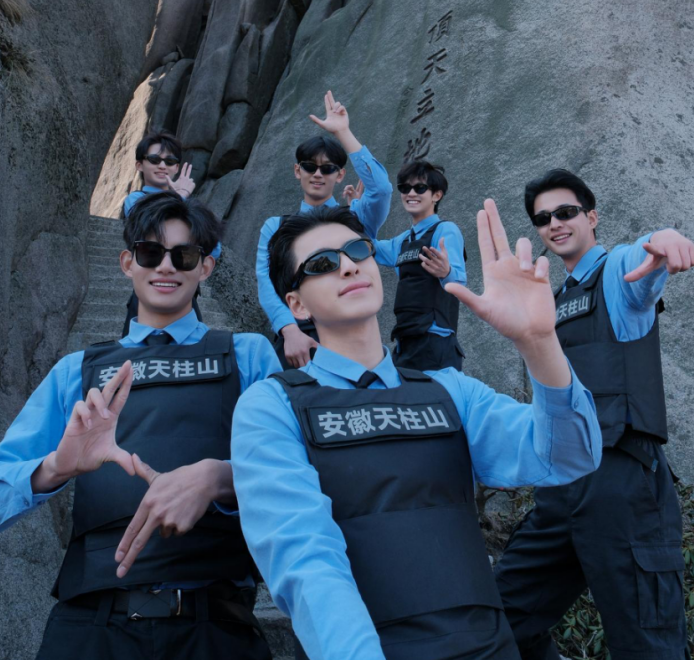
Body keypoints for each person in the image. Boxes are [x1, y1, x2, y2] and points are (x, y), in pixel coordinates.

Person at [231, 203, 603, 660]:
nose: (348, 266)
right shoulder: (272, 406)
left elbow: (570, 455)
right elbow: (305, 562)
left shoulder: (451, 390)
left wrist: (539, 343)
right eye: (322, 264)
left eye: (357, 251)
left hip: (489, 646)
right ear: (297, 305)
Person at [0, 192, 279, 660]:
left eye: (183, 256)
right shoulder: (77, 370)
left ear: (205, 268)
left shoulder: (248, 354)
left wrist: (219, 477)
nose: (166, 266)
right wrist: (55, 468)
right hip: (91, 626)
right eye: (150, 253)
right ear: (127, 263)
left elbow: (293, 470)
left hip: (216, 622)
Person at [495, 169, 694, 660]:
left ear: (592, 216)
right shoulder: (549, 301)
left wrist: (662, 240)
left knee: (647, 646)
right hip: (560, 488)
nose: (554, 224)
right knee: (497, 623)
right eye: (543, 218)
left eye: (566, 212)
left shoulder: (618, 276)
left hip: (622, 483)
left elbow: (640, 261)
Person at [256, 90, 393, 370]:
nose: (318, 174)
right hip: (300, 336)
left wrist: (344, 132)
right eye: (310, 167)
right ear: (298, 171)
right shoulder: (276, 226)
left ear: (340, 175)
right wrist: (289, 330)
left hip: (354, 332)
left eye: (328, 169)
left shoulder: (355, 218)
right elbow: (266, 280)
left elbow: (381, 190)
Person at [373, 160, 466, 371]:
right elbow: (368, 246)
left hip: (435, 341)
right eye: (405, 188)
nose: (411, 193)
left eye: (420, 188)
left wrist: (446, 272)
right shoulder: (403, 240)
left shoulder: (446, 230)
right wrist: (360, 209)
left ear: (436, 195)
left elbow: (459, 282)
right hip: (404, 341)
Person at [121, 132, 217, 336]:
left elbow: (214, 249)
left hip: (184, 297)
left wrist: (182, 199)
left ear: (177, 167)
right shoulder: (136, 199)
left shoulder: (189, 205)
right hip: (148, 296)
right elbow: (145, 223)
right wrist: (180, 197)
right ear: (139, 165)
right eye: (154, 159)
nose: (162, 166)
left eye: (170, 161)